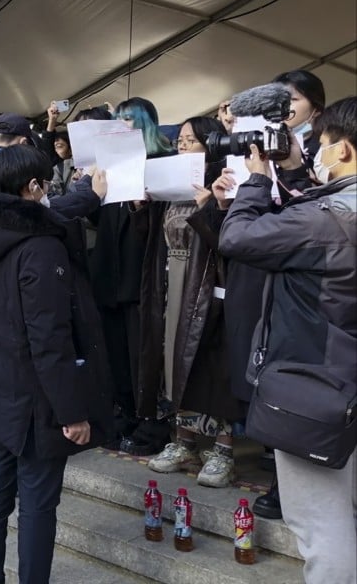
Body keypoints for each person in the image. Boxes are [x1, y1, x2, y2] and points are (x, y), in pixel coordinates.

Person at [219, 96, 356, 583]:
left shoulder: (329, 218)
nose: (316, 153)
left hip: (318, 386)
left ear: (342, 150)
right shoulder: (328, 213)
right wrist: (296, 173)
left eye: (320, 144)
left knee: (323, 522)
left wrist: (256, 181)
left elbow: (238, 239)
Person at [0, 145, 95, 584]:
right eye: (47, 183)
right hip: (35, 399)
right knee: (37, 503)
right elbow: (49, 338)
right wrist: (71, 412)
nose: (51, 191)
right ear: (33, 186)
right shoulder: (39, 247)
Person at [141, 117, 243, 487]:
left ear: (210, 142)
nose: (182, 145)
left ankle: (223, 449)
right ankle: (183, 441)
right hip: (173, 279)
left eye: (190, 139)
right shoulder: (173, 186)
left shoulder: (226, 179)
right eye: (180, 140)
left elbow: (232, 243)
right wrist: (142, 206)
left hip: (207, 284)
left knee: (212, 365)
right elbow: (157, 240)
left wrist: (211, 208)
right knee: (173, 362)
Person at [89, 97, 175, 455]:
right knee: (115, 351)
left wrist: (143, 208)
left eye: (129, 119)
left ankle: (151, 425)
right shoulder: (109, 164)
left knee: (143, 351)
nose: (122, 125)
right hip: (110, 268)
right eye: (117, 119)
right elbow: (98, 220)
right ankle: (123, 416)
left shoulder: (162, 161)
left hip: (143, 271)